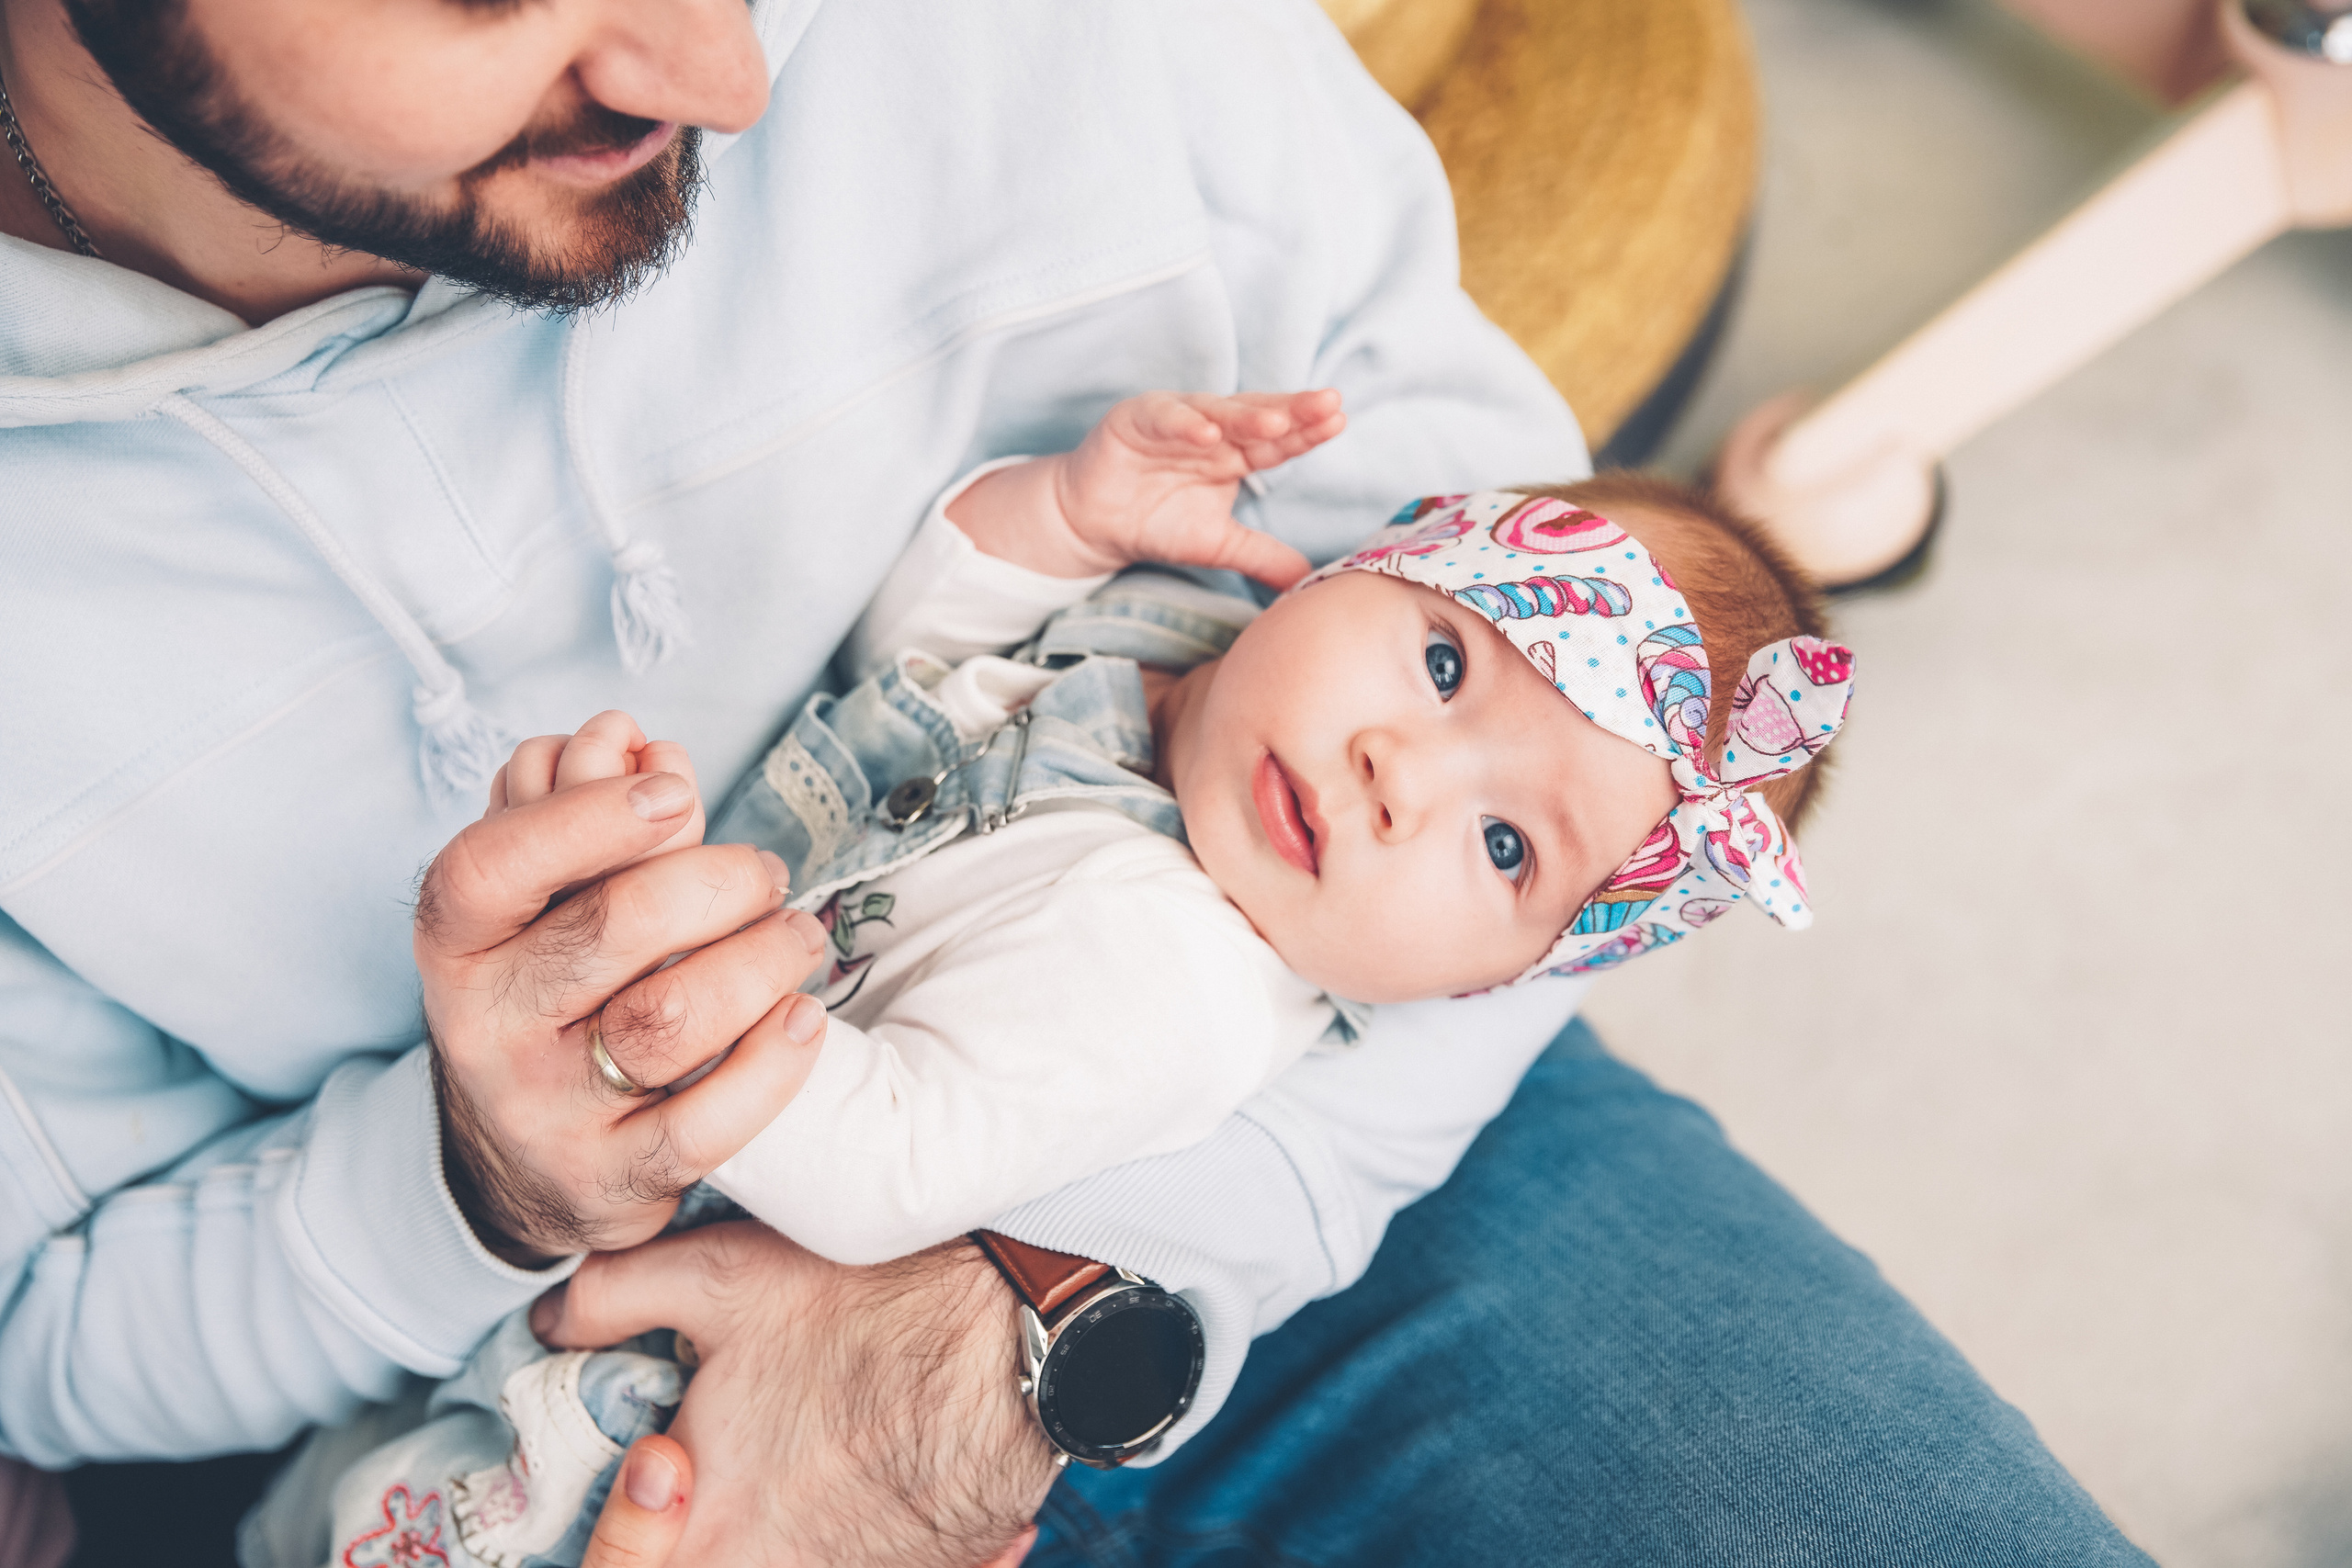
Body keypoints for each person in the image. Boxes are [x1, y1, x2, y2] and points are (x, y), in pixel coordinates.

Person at [0, 0, 2152, 1562]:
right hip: (524, 1355)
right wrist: (490, 1170)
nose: (735, 73)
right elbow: (56, 1344)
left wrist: (1006, 1313)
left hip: (1327, 1131)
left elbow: (1561, 751)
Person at [279, 390, 1857, 1565]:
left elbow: (891, 1168)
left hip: (651, 1403)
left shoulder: (1181, 985)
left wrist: (653, 969)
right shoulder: (1167, 639)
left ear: (1475, 985)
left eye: (1504, 847)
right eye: (1445, 665)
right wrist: (1060, 513)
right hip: (537, 1260)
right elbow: (920, 660)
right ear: (1365, 565)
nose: (1399, 775)